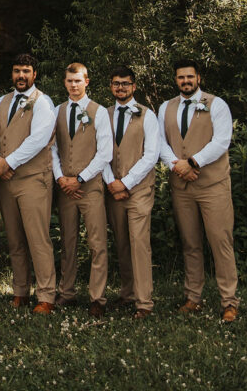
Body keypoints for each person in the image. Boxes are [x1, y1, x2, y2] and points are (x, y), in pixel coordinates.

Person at [158, 58, 239, 322]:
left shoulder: (216, 104)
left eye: (190, 77)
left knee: (220, 243)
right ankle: (193, 297)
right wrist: (176, 165)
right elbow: (160, 142)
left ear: (198, 78)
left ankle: (229, 301)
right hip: (181, 187)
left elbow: (222, 141)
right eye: (181, 78)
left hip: (212, 187)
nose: (185, 81)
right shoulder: (165, 107)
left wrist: (193, 162)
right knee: (190, 244)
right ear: (176, 80)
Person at [0, 53, 57, 315]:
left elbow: (39, 139)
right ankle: (20, 291)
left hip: (33, 180)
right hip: (5, 180)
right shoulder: (1, 102)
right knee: (15, 239)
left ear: (34, 74)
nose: (21, 75)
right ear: (12, 74)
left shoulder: (43, 102)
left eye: (26, 71)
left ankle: (46, 295)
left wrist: (9, 162)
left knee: (37, 238)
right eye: (17, 70)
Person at [52, 62, 113, 317]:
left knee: (97, 242)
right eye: (69, 81)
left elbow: (105, 152)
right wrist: (61, 179)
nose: (73, 85)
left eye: (78, 80)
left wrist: (81, 178)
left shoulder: (99, 112)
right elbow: (52, 149)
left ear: (86, 82)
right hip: (65, 188)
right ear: (64, 83)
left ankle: (97, 297)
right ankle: (66, 292)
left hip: (90, 188)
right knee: (68, 242)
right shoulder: (57, 111)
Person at [103, 65, 159, 318]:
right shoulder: (104, 114)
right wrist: (111, 183)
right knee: (122, 243)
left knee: (139, 244)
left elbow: (151, 155)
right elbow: (100, 152)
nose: (121, 87)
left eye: (126, 83)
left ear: (134, 87)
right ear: (111, 86)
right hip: (112, 190)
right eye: (116, 83)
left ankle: (144, 303)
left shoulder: (147, 115)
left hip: (139, 190)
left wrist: (126, 183)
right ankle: (128, 295)